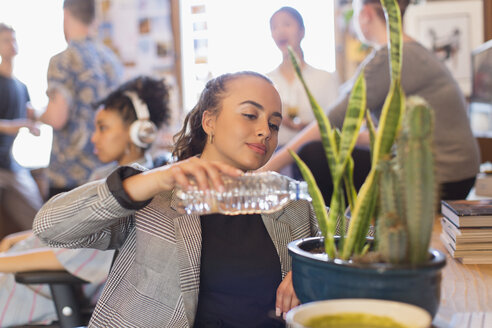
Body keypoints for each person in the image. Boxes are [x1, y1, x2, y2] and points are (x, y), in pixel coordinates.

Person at [33, 71, 320, 327]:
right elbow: (50, 226)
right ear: (210, 121)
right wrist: (155, 179)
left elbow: (362, 239)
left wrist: (313, 268)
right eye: (250, 115)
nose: (264, 132)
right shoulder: (154, 196)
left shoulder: (290, 201)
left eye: (274, 124)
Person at [262, 0, 480, 202]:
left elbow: (331, 121)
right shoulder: (412, 51)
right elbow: (387, 134)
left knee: (311, 153)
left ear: (365, 14)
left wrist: (267, 168)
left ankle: (335, 234)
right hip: (460, 174)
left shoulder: (389, 57)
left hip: (439, 178)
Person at [0, 75, 172, 327]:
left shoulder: (132, 193)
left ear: (138, 133)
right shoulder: (103, 176)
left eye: (103, 128)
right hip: (24, 267)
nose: (94, 138)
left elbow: (70, 258)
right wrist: (14, 240)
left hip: (40, 285)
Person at [39, 0, 123, 199]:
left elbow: (57, 117)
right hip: (105, 174)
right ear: (94, 19)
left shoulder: (63, 60)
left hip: (69, 175)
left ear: (66, 15)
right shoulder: (112, 60)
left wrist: (38, 114)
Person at [267, 6, 339, 148]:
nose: (280, 31)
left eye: (287, 24)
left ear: (302, 31)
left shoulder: (325, 78)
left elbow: (336, 124)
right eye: (274, 27)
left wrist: (308, 128)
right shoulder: (267, 82)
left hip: (314, 153)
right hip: (275, 154)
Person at [0, 23, 43, 235]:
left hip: (10, 164)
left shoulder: (21, 86)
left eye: (14, 39)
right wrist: (15, 126)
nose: (12, 44)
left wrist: (33, 126)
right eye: (6, 40)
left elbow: (29, 116)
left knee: (39, 220)